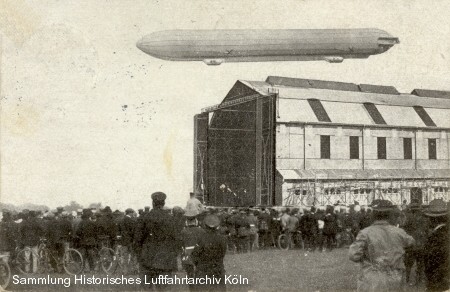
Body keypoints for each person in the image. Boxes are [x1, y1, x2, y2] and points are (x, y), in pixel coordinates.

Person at [349, 200, 415, 291]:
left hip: (372, 278)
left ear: (373, 215)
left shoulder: (365, 233)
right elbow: (411, 243)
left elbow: (353, 255)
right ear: (390, 215)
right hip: (395, 278)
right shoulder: (399, 232)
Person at [134, 192, 178, 291]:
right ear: (163, 203)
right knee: (164, 289)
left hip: (147, 260)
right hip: (165, 260)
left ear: (153, 203)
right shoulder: (170, 219)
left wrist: (139, 256)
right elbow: (176, 240)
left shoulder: (144, 218)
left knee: (147, 289)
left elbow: (137, 240)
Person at [191, 214, 227, 292]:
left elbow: (194, 255)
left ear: (205, 226)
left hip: (203, 269)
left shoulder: (201, 238)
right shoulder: (222, 239)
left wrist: (198, 264)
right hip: (217, 268)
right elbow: (222, 253)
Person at [423, 199, 449, 292]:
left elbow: (430, 265)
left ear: (432, 219)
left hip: (440, 285)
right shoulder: (446, 232)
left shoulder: (434, 237)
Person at [402, 202, 429, 286]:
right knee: (420, 263)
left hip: (411, 244)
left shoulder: (408, 217)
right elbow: (427, 230)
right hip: (421, 244)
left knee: (408, 264)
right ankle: (419, 280)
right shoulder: (424, 217)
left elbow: (404, 229)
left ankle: (407, 279)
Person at [181, 210, 205, 291]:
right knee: (200, 273)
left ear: (187, 221)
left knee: (190, 275)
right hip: (199, 254)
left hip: (187, 255)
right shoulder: (201, 231)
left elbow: (181, 245)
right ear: (195, 220)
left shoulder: (183, 231)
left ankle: (192, 289)